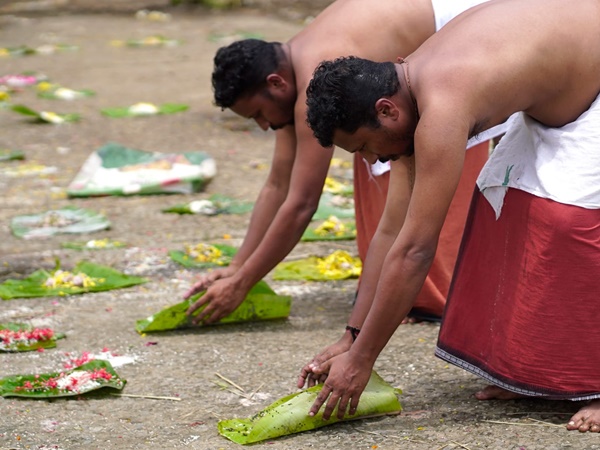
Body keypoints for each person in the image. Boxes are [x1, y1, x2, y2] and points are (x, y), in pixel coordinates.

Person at [299, 0, 600, 432]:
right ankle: (542, 373)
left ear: (386, 110)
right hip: (562, 99)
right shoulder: (408, 92)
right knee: (501, 204)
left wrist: (362, 361)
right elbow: (392, 230)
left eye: (365, 146)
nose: (373, 159)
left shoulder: (441, 104)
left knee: (572, 224)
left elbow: (417, 249)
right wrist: (351, 336)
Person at [184, 0, 504, 325]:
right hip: (405, 70)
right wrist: (237, 267)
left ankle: (429, 296)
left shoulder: (311, 78)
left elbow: (301, 204)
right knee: (371, 157)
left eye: (258, 115)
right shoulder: (291, 72)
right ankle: (392, 294)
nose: (264, 126)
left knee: (408, 186)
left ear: (275, 83)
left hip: (468, 35)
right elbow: (278, 184)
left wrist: (241, 285)